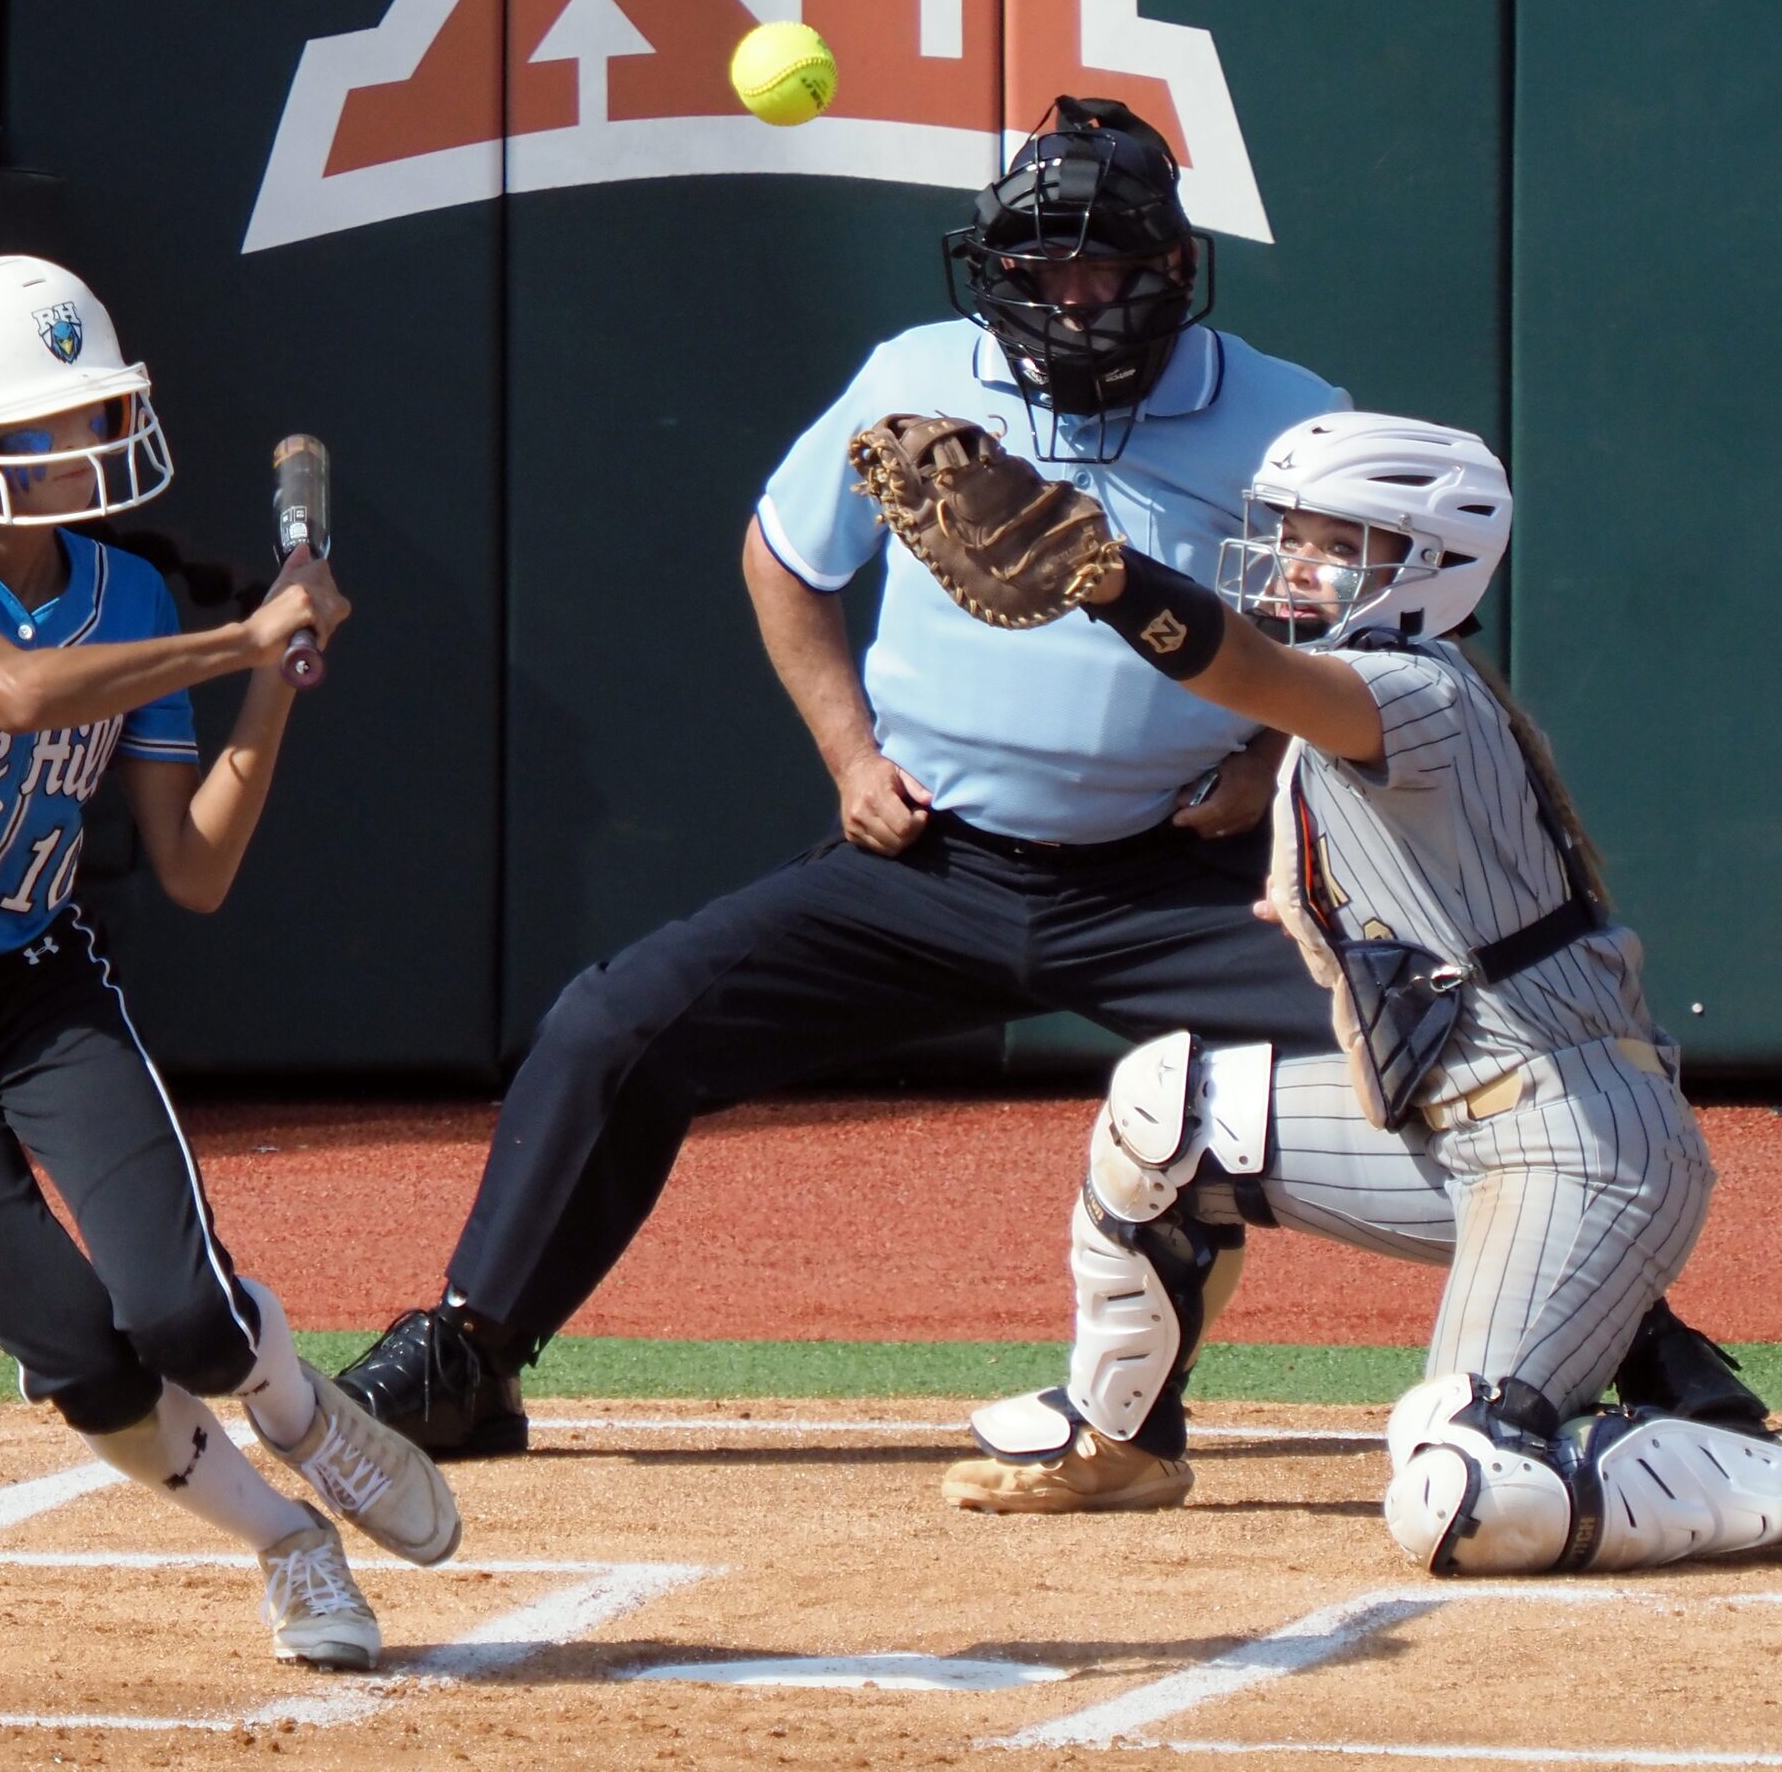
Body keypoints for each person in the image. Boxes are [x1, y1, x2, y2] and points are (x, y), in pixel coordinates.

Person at [333, 97, 1358, 1453]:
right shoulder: (918, 375)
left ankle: (1615, 1347)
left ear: (1174, 267)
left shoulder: (1290, 423)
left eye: (1101, 264)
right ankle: (473, 1348)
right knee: (617, 1025)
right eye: (1040, 266)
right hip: (932, 866)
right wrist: (849, 755)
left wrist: (1270, 756)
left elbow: (1367, 649)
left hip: (1178, 880)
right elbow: (784, 559)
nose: (1070, 296)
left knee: (1436, 1048)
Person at [941, 411, 1779, 1574]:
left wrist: (1112, 581)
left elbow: (1246, 668)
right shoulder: (1368, 706)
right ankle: (1116, 1439)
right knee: (1164, 1114)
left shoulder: (1408, 690)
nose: (1293, 561)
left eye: (1335, 542)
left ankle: (1743, 1463)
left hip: (1582, 1148)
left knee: (1465, 1491)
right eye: (1289, 533)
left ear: (1427, 564)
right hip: (1460, 1136)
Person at [0, 254, 458, 1670]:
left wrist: (273, 678)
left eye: (94, 413)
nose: (86, 443)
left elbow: (194, 865)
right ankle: (289, 1542)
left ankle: (306, 1413)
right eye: (49, 420)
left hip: (35, 985)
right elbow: (14, 691)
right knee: (82, 1356)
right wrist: (238, 638)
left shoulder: (130, 598)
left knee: (182, 1317)